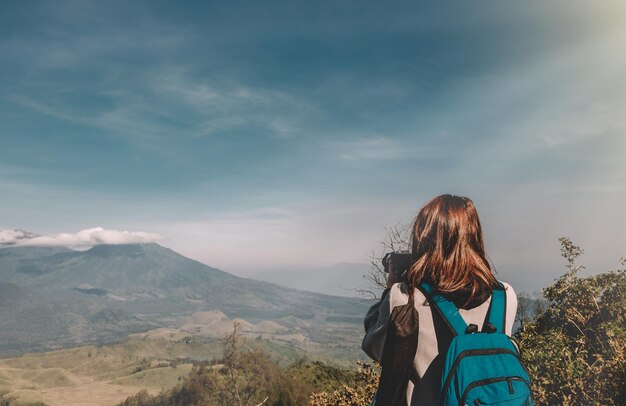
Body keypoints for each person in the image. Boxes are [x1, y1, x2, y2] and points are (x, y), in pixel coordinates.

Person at [362, 194, 518, 405]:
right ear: (474, 236)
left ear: (424, 238)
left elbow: (375, 347)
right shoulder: (505, 295)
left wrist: (391, 288)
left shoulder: (406, 298)